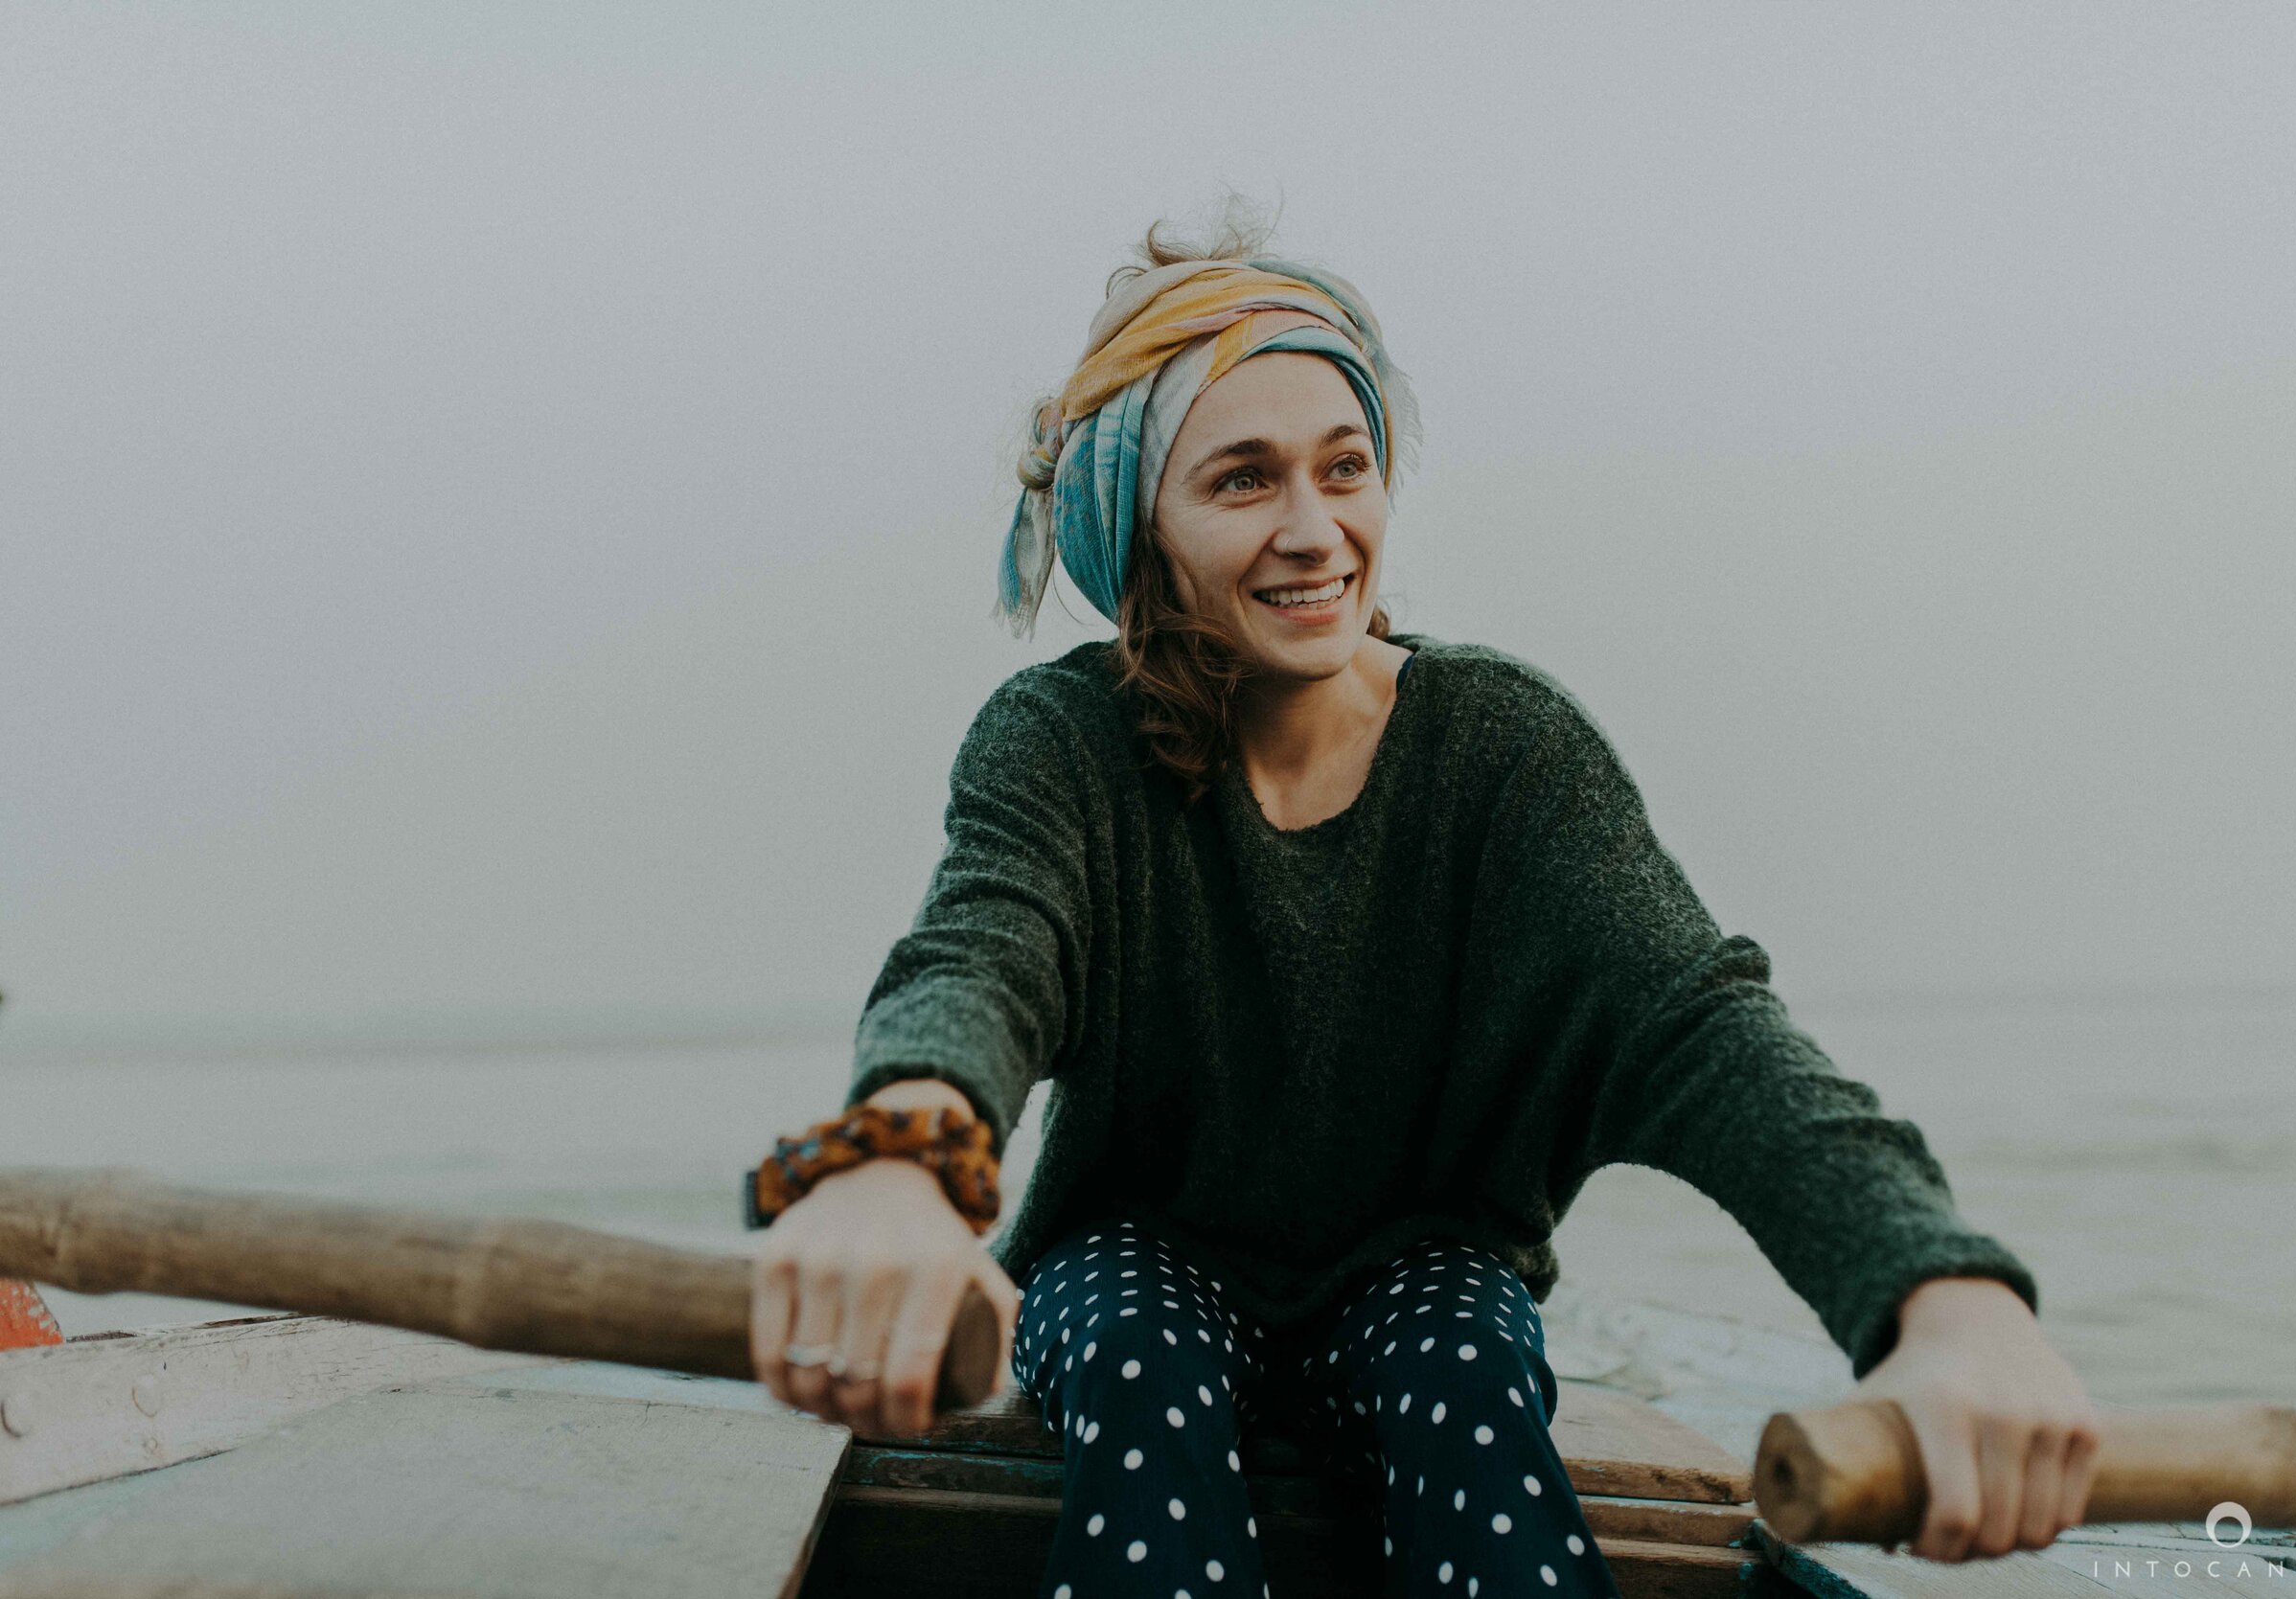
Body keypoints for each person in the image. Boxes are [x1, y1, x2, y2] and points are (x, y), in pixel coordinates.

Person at [748, 211, 2100, 1594]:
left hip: (1425, 1275)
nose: (1313, 529)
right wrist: (899, 1163)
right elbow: (984, 948)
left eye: (1347, 469)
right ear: (1141, 529)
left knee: (1466, 1357)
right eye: (1242, 480)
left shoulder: (1504, 750)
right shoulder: (1060, 742)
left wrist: (1943, 1296)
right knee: (1138, 1353)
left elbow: (1698, 1029)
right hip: (1132, 1267)